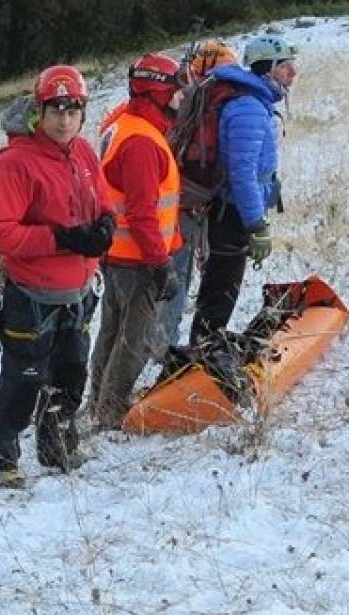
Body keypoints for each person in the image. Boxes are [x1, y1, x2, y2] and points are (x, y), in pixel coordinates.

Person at [0, 64, 116, 488]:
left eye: (73, 109)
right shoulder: (14, 165)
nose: (64, 118)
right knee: (23, 380)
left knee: (71, 373)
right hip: (32, 296)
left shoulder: (85, 153)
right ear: (38, 110)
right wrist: (62, 238)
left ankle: (58, 443)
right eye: (55, 108)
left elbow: (104, 200)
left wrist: (106, 224)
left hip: (78, 292)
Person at [89, 53, 184, 429]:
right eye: (176, 89)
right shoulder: (143, 143)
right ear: (158, 92)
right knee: (135, 339)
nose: (181, 97)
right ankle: (111, 413)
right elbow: (143, 213)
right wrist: (161, 264)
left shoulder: (121, 124)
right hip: (139, 260)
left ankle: (97, 403)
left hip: (117, 256)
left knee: (111, 332)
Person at [189, 36, 298, 348]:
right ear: (268, 69)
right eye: (285, 66)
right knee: (219, 293)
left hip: (233, 212)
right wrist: (256, 224)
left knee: (220, 289)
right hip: (232, 215)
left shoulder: (253, 101)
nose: (292, 72)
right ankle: (200, 360)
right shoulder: (248, 108)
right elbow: (242, 174)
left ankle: (204, 352)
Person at [158, 39, 240, 350]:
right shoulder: (219, 102)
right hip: (193, 206)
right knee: (176, 282)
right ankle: (164, 349)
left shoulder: (191, 102)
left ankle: (164, 347)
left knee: (173, 283)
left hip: (179, 204)